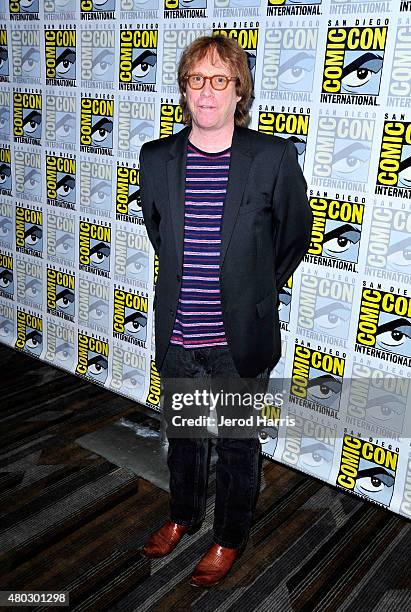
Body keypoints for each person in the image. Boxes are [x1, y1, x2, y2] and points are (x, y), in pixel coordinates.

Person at [138, 35, 313, 587]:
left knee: (238, 445)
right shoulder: (157, 158)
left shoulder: (271, 157)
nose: (206, 91)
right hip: (180, 332)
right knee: (185, 439)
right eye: (196, 80)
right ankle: (183, 516)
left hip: (239, 338)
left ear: (240, 91)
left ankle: (228, 536)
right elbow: (158, 230)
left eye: (220, 80)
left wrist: (258, 289)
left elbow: (295, 234)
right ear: (184, 90)